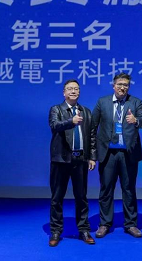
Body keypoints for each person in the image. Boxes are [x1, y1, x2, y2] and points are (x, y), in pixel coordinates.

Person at [92, 73, 142, 238]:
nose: (123, 87)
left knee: (129, 189)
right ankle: (104, 224)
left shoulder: (135, 102)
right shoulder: (102, 102)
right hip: (108, 153)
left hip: (128, 154)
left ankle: (131, 224)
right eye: (120, 84)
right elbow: (93, 127)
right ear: (113, 85)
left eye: (126, 85)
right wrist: (92, 154)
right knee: (106, 189)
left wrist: (136, 120)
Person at [48, 79, 97, 247]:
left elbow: (92, 136)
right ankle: (56, 231)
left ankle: (83, 230)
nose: (73, 91)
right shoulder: (56, 109)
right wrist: (71, 121)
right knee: (57, 197)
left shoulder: (86, 112)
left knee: (81, 197)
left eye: (76, 89)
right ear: (64, 93)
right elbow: (54, 126)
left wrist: (92, 156)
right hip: (61, 160)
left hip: (80, 160)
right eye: (70, 89)